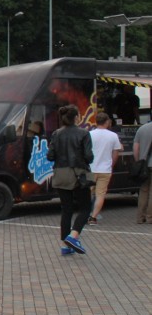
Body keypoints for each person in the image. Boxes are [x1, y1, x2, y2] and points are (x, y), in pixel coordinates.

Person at [46, 105, 94, 255]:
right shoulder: (84, 133)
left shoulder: (56, 134)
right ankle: (74, 236)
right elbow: (88, 156)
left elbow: (50, 156)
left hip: (60, 173)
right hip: (79, 173)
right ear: (76, 117)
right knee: (86, 207)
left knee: (66, 210)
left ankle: (65, 245)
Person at [88, 112, 122, 224]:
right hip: (105, 169)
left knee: (88, 192)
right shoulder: (113, 136)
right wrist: (111, 165)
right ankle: (94, 217)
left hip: (91, 168)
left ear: (96, 122)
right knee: (100, 194)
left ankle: (86, 213)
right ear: (107, 122)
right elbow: (116, 152)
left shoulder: (89, 134)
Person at [132, 118, 152, 223]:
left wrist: (138, 162)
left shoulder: (142, 129)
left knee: (143, 190)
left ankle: (140, 217)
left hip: (143, 164)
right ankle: (150, 217)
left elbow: (136, 148)